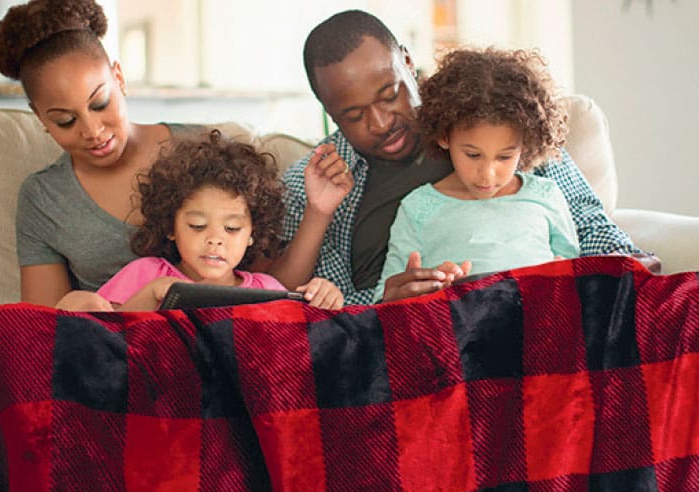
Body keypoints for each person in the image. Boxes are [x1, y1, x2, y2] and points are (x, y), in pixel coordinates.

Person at [278, 10, 654, 306]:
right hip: (404, 339)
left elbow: (589, 227)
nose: (380, 123)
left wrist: (634, 269)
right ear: (327, 108)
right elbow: (309, 302)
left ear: (408, 63)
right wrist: (386, 303)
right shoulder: (312, 182)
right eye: (354, 116)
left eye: (389, 94)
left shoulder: (495, 118)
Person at [0, 0, 196, 310]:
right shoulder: (44, 198)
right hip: (113, 348)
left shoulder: (199, 148)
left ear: (119, 78)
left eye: (99, 103)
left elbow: (262, 283)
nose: (92, 131)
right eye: (65, 121)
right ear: (40, 118)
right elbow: (47, 328)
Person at [374, 47, 580, 301]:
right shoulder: (417, 208)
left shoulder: (545, 195)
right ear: (444, 136)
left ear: (526, 145)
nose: (487, 175)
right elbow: (387, 296)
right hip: (455, 328)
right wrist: (421, 291)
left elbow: (575, 278)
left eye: (505, 157)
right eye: (473, 155)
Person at [58, 131, 345, 311]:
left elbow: (298, 345)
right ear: (171, 226)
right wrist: (155, 292)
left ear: (252, 234)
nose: (215, 239)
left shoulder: (266, 290)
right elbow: (108, 333)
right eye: (197, 226)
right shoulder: (145, 273)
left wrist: (326, 299)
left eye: (232, 228)